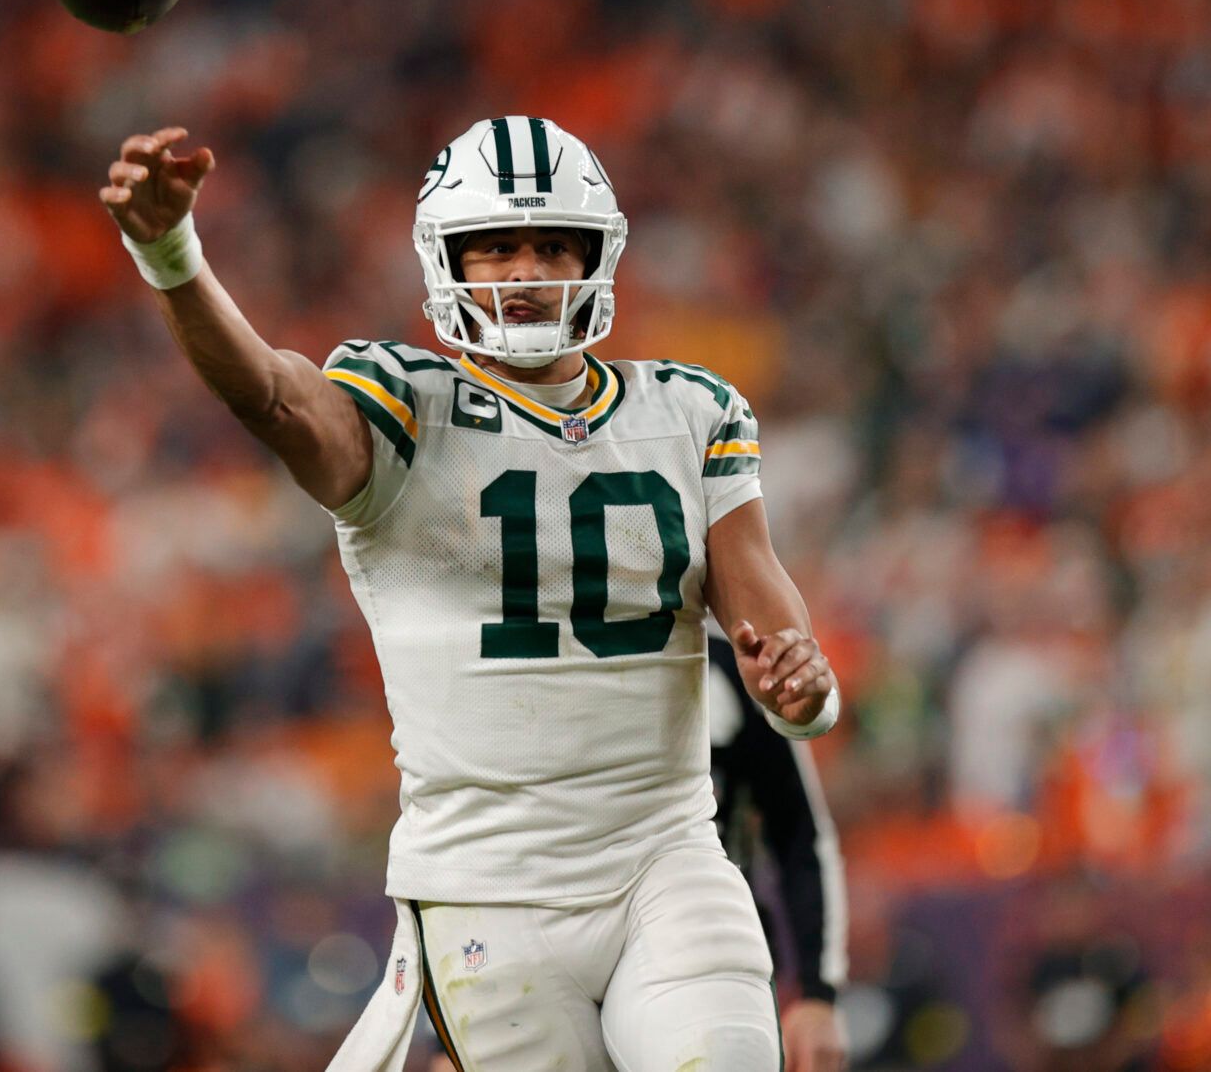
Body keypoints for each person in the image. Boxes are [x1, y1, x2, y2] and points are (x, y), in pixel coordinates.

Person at [102, 117, 840, 1071]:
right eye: (496, 247)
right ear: (447, 260)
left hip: (667, 861)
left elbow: (770, 623)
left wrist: (801, 688)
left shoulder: (689, 410)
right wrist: (172, 254)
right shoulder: (401, 403)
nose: (526, 272)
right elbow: (273, 396)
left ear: (596, 257)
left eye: (552, 246)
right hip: (486, 887)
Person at [706, 627, 850, 1072]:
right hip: (559, 937)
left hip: (715, 954)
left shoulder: (728, 667)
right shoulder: (533, 661)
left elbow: (801, 833)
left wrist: (818, 993)